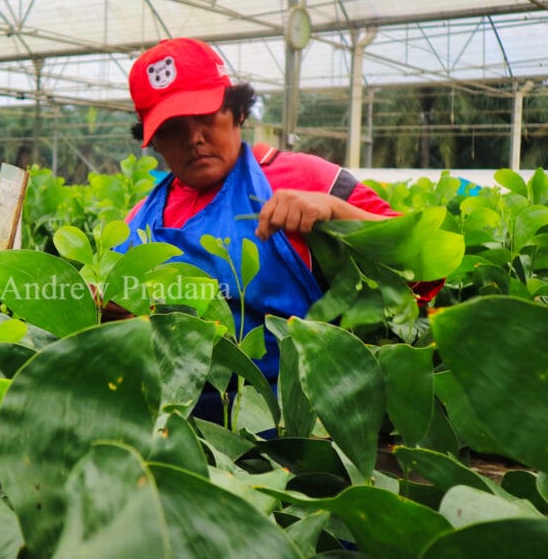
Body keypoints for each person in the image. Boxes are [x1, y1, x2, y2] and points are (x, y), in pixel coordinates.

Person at [116, 37, 438, 422]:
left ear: (236, 112)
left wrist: (336, 211)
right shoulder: (139, 220)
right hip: (175, 427)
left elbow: (427, 268)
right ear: (152, 143)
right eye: (171, 128)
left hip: (298, 427)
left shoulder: (306, 177)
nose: (193, 138)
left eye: (204, 115)